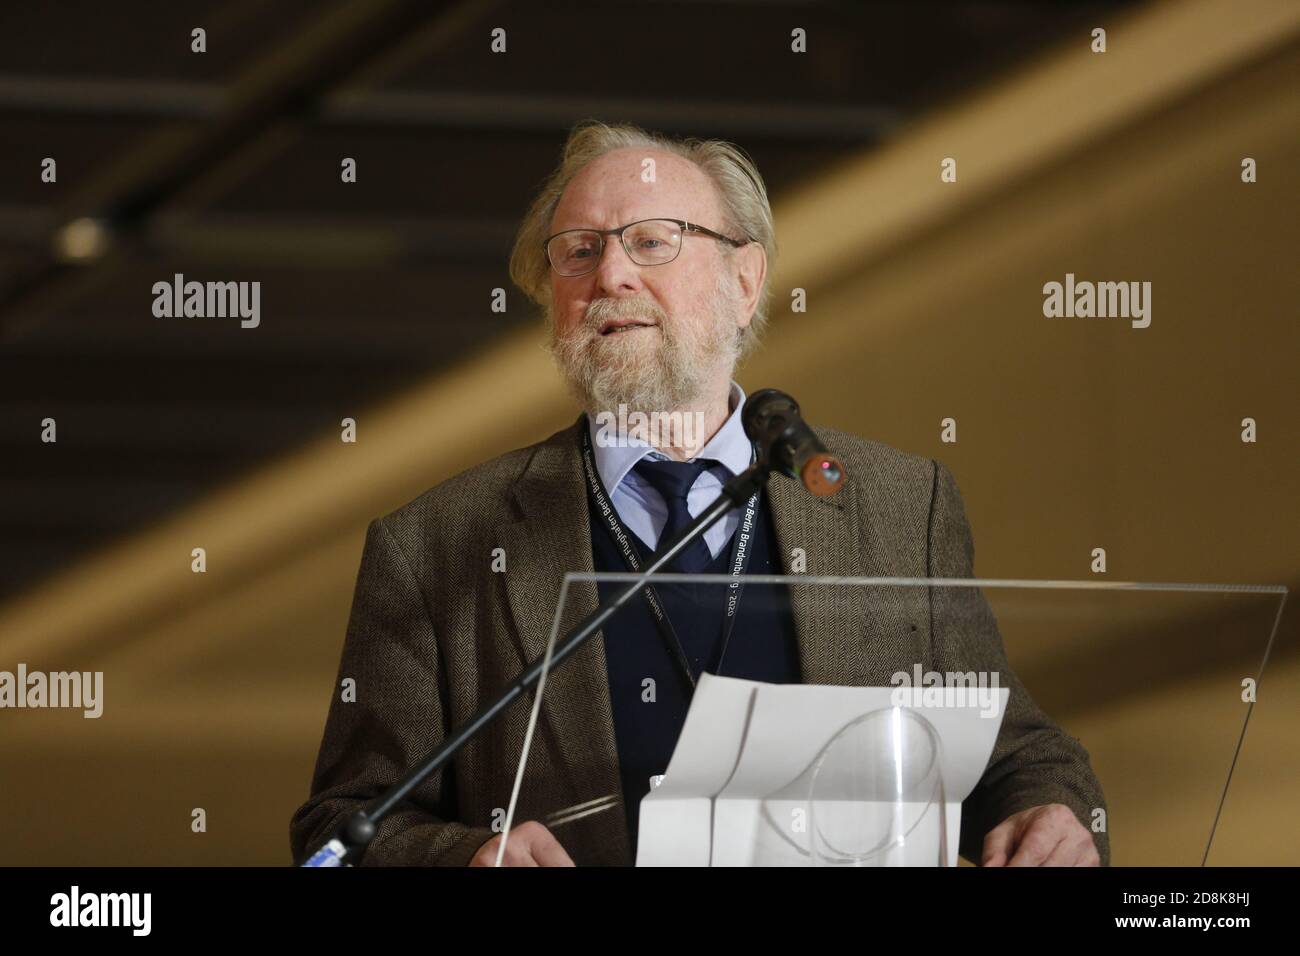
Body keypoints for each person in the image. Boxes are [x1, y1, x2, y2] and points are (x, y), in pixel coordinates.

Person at [290, 120, 1107, 867]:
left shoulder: (900, 505)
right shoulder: (436, 545)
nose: (609, 273)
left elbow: (1014, 753)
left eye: (652, 241)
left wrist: (1050, 812)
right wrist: (464, 859)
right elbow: (341, 830)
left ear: (744, 281)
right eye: (576, 251)